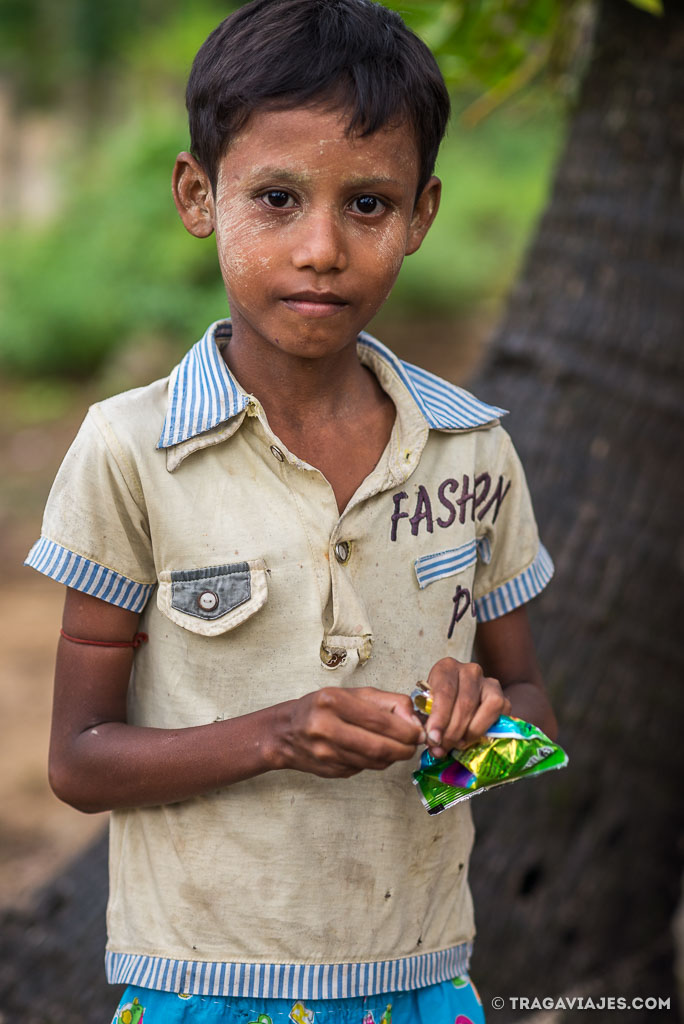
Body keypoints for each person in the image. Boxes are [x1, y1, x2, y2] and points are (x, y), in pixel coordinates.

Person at [26, 1, 558, 1021]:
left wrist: (470, 729)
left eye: (368, 204)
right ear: (198, 194)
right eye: (275, 197)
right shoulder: (132, 450)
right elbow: (80, 759)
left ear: (421, 214)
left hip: (422, 980)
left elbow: (530, 706)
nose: (322, 247)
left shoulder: (471, 450)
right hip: (199, 984)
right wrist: (275, 734)